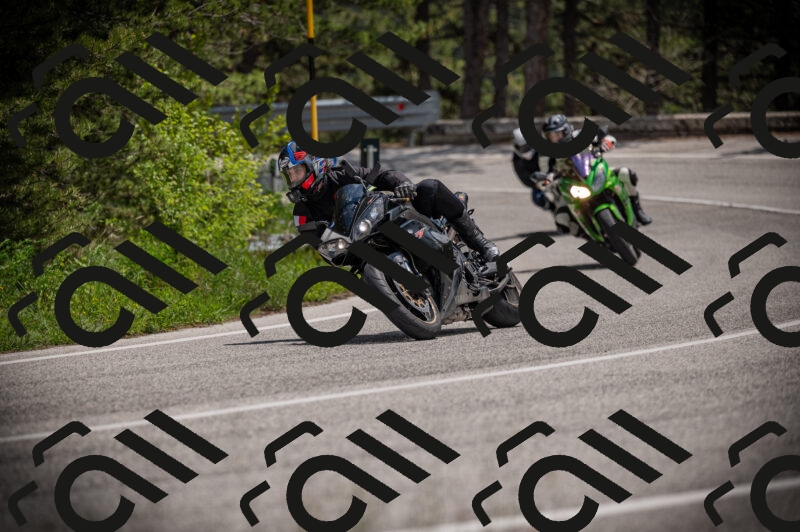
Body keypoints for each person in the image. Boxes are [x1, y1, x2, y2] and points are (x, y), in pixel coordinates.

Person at [278, 141, 499, 261]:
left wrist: (403, 184)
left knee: (429, 187)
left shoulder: (342, 174)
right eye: (289, 175)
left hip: (383, 220)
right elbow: (322, 246)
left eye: (297, 171)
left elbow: (382, 175)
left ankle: (479, 242)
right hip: (360, 251)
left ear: (315, 164)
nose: (293, 179)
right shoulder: (302, 214)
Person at [540, 114, 652, 235]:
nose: (554, 139)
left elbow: (606, 137)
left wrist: (606, 143)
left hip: (593, 171)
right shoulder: (547, 154)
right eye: (550, 136)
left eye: (557, 134)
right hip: (571, 183)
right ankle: (586, 234)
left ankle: (637, 209)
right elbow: (544, 173)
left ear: (566, 130)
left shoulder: (578, 135)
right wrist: (547, 179)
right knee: (561, 219)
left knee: (625, 173)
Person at [511, 128, 556, 211]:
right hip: (539, 181)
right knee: (537, 198)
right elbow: (523, 176)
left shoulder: (543, 145)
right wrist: (537, 183)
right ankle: (553, 209)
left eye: (529, 145)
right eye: (524, 148)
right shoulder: (517, 160)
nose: (528, 149)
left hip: (555, 173)